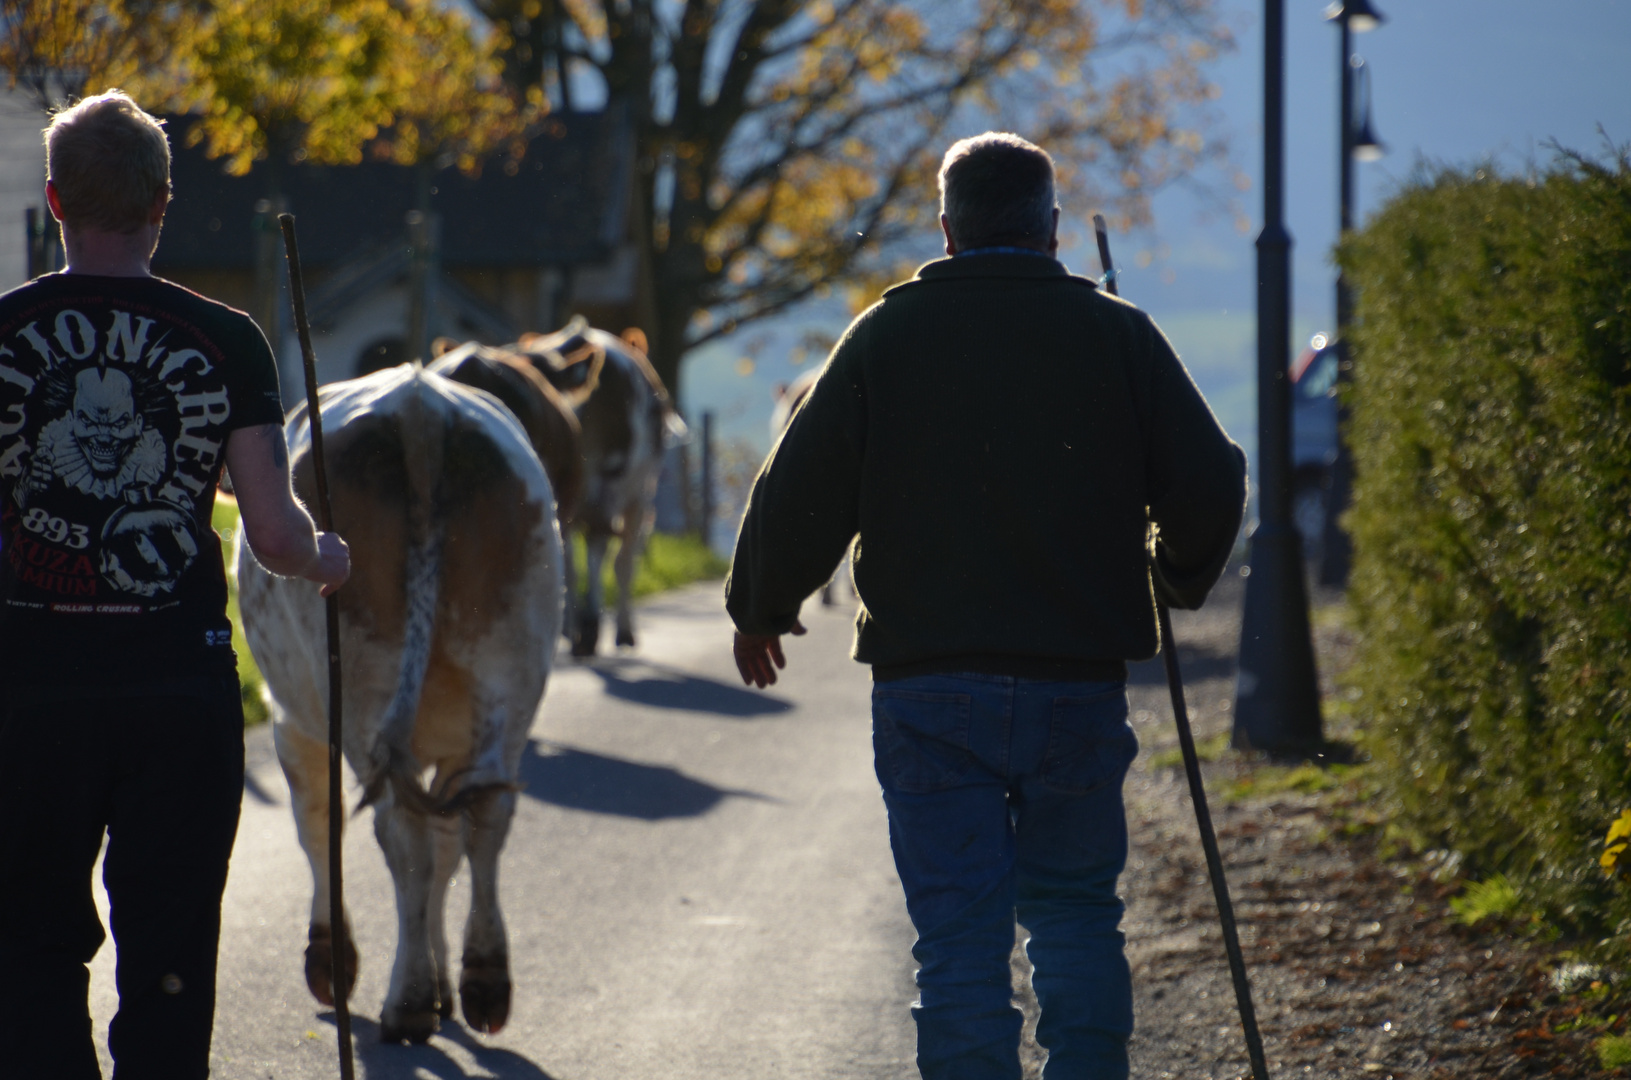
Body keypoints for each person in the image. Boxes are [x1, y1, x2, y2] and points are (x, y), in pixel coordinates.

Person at [725, 132, 1246, 1079]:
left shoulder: (885, 336)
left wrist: (761, 606)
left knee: (959, 941)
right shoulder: (1117, 333)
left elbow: (799, 487)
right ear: (1051, 231)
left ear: (947, 230)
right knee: (1076, 915)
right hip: (1077, 688)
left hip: (929, 689)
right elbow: (1211, 479)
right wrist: (1172, 577)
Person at [0, 90, 350, 1079]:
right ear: (164, 201)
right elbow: (276, 535)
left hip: (29, 690)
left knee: (27, 946)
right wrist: (326, 558)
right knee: (168, 953)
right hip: (177, 692)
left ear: (56, 201)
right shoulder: (228, 337)